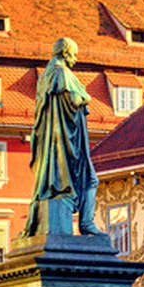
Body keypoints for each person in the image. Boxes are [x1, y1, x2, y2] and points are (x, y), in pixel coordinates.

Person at [23, 35, 100, 237]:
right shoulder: (61, 73)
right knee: (90, 179)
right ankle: (86, 223)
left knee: (83, 180)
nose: (75, 59)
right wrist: (86, 96)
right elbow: (73, 100)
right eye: (74, 55)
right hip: (68, 141)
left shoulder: (46, 75)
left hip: (57, 141)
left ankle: (86, 224)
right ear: (66, 53)